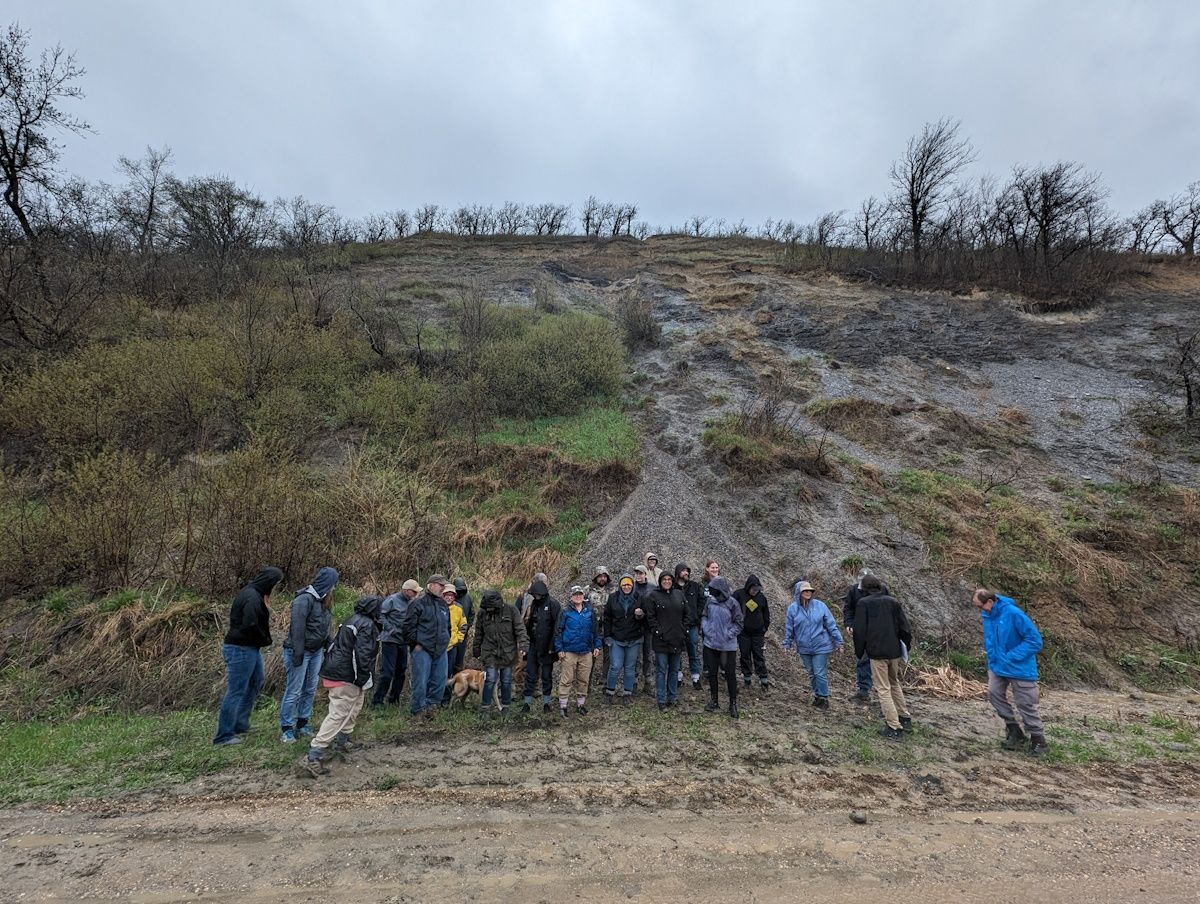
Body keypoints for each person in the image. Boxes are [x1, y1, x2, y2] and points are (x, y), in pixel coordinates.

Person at [296, 595, 382, 778]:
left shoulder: (351, 621)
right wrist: (362, 678)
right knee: (339, 713)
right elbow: (362, 654)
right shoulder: (367, 626)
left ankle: (342, 741)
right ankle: (314, 754)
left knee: (355, 706)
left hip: (337, 671)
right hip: (346, 675)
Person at [973, 588, 1048, 757]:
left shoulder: (1014, 614)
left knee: (1026, 704)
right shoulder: (988, 615)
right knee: (994, 694)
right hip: (997, 666)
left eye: (980, 606)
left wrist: (1011, 657)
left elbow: (1034, 641)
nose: (979, 610)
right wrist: (994, 658)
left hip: (1019, 668)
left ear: (990, 602)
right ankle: (1014, 731)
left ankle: (1039, 741)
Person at [214, 567, 283, 745]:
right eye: (276, 583)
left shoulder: (252, 593)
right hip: (241, 649)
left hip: (249, 648)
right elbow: (250, 624)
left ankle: (240, 724)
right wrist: (264, 639)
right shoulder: (252, 597)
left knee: (256, 681)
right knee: (236, 690)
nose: (276, 587)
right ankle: (224, 735)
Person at [280, 566, 338, 743]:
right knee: (294, 690)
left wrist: (329, 643)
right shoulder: (304, 600)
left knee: (310, 689)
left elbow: (322, 627)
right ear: (326, 583)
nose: (334, 588)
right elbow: (297, 628)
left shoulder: (324, 601)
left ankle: (303, 723)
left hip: (316, 652)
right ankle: (287, 728)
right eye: (333, 583)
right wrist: (298, 654)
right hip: (299, 652)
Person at [852, 575, 913, 740]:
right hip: (894, 651)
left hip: (877, 652)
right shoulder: (893, 602)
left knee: (883, 688)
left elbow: (860, 631)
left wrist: (860, 651)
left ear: (863, 588)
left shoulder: (864, 603)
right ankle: (905, 717)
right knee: (894, 684)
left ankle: (894, 726)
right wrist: (905, 646)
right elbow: (904, 627)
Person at [782, 581, 844, 708]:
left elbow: (831, 624)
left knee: (819, 672)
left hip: (821, 645)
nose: (808, 593)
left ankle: (824, 697)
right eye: (805, 591)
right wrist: (786, 643)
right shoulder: (792, 609)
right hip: (804, 647)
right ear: (798, 592)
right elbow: (789, 628)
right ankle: (817, 695)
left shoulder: (820, 606)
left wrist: (839, 641)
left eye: (810, 590)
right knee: (811, 672)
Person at [402, 574, 451, 718]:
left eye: (444, 585)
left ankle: (431, 708)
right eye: (440, 585)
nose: (443, 588)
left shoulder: (443, 605)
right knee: (420, 681)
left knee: (440, 680)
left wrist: (446, 641)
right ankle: (417, 711)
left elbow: (447, 626)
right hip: (422, 649)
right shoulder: (417, 603)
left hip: (441, 649)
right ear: (431, 585)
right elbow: (407, 628)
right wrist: (415, 644)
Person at [553, 585, 602, 717]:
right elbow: (558, 631)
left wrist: (597, 646)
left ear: (583, 596)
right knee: (566, 679)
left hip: (586, 651)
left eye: (580, 594)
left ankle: (581, 704)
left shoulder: (590, 611)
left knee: (583, 679)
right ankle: (563, 706)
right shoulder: (565, 612)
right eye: (575, 594)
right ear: (571, 596)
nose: (578, 596)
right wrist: (559, 649)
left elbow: (596, 631)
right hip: (569, 651)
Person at [472, 588, 520, 719]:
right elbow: (479, 633)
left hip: (507, 652)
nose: (489, 610)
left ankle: (506, 708)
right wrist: (476, 649)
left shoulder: (511, 611)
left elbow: (520, 629)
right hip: (490, 652)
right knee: (490, 679)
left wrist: (524, 646)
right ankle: (485, 709)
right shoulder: (482, 613)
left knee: (506, 681)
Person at [371, 579, 419, 707]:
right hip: (390, 641)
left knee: (401, 672)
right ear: (406, 590)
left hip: (404, 642)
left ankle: (394, 699)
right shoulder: (391, 600)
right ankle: (378, 700)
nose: (415, 594)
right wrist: (391, 629)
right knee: (387, 672)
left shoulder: (413, 603)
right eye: (414, 592)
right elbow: (381, 616)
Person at [843, 569, 888, 704]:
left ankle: (886, 692)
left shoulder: (882, 590)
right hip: (862, 631)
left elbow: (889, 608)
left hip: (880, 631)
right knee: (863, 660)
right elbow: (848, 609)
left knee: (883, 662)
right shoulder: (853, 591)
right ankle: (864, 690)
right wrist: (849, 624)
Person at [701, 576, 743, 719]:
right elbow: (704, 616)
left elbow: (739, 623)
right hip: (710, 644)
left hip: (727, 647)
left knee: (730, 675)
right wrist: (706, 630)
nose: (712, 592)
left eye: (714, 589)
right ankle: (714, 700)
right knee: (712, 673)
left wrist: (728, 634)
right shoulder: (710, 601)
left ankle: (733, 704)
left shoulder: (733, 603)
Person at [645, 571, 688, 710]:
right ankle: (661, 700)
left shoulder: (679, 594)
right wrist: (658, 631)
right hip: (661, 640)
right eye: (664, 579)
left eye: (669, 579)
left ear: (673, 581)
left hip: (677, 638)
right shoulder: (653, 596)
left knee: (674, 670)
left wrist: (684, 629)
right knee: (661, 670)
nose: (667, 581)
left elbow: (687, 613)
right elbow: (650, 617)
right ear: (660, 581)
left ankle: (673, 697)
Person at [603, 573, 645, 705]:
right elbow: (607, 618)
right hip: (617, 638)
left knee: (629, 667)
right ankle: (609, 692)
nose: (626, 586)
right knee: (615, 666)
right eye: (624, 584)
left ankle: (627, 693)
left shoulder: (639, 597)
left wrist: (640, 615)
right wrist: (607, 636)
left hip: (634, 638)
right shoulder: (613, 598)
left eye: (629, 584)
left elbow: (645, 618)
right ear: (620, 585)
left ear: (632, 585)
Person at [521, 578, 561, 714]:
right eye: (534, 595)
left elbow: (557, 627)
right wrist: (525, 646)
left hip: (547, 647)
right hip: (533, 645)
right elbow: (527, 625)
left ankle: (546, 703)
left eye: (537, 595)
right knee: (530, 674)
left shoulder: (553, 604)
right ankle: (527, 703)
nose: (536, 597)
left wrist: (553, 647)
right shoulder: (533, 605)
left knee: (546, 675)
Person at [735, 574, 771, 690]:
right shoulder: (739, 594)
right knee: (745, 655)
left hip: (758, 633)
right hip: (743, 633)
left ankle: (764, 679)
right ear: (748, 587)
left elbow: (766, 615)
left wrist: (764, 629)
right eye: (753, 589)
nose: (755, 592)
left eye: (757, 590)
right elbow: (731, 609)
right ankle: (747, 678)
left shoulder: (761, 598)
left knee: (759, 656)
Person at [674, 563, 705, 689]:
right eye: (683, 571)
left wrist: (696, 616)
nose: (686, 573)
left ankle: (696, 678)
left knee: (693, 650)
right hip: (677, 626)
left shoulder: (695, 586)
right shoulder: (673, 587)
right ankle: (678, 677)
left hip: (692, 625)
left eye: (687, 571)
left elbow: (702, 601)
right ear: (677, 573)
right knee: (677, 651)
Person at [440, 583, 468, 703]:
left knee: (449, 672)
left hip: (452, 646)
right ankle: (435, 697)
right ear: (443, 596)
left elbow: (463, 625)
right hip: (439, 646)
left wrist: (459, 638)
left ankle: (446, 699)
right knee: (437, 673)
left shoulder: (458, 609)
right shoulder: (438, 607)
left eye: (451, 596)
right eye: (447, 595)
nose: (449, 598)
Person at [632, 565, 655, 694]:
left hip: (648, 627)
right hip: (634, 627)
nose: (639, 575)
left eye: (641, 573)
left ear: (645, 574)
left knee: (648, 655)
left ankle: (648, 682)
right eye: (637, 573)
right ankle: (634, 682)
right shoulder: (630, 587)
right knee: (635, 656)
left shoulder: (652, 588)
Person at [450, 578, 475, 675]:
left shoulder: (467, 598)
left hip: (463, 635)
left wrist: (468, 626)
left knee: (459, 661)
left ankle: (457, 685)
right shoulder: (450, 599)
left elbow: (472, 613)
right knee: (450, 661)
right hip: (451, 635)